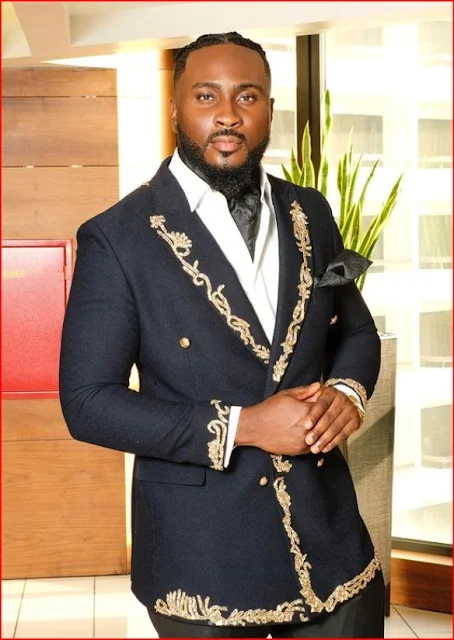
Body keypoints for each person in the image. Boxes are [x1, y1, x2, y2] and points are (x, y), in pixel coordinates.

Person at [59, 31, 384, 639]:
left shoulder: (310, 211)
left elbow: (357, 330)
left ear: (269, 109)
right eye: (206, 95)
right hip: (201, 554)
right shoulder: (118, 236)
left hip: (331, 542)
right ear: (175, 108)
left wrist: (347, 392)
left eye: (247, 96)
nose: (228, 114)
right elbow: (87, 403)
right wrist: (245, 425)